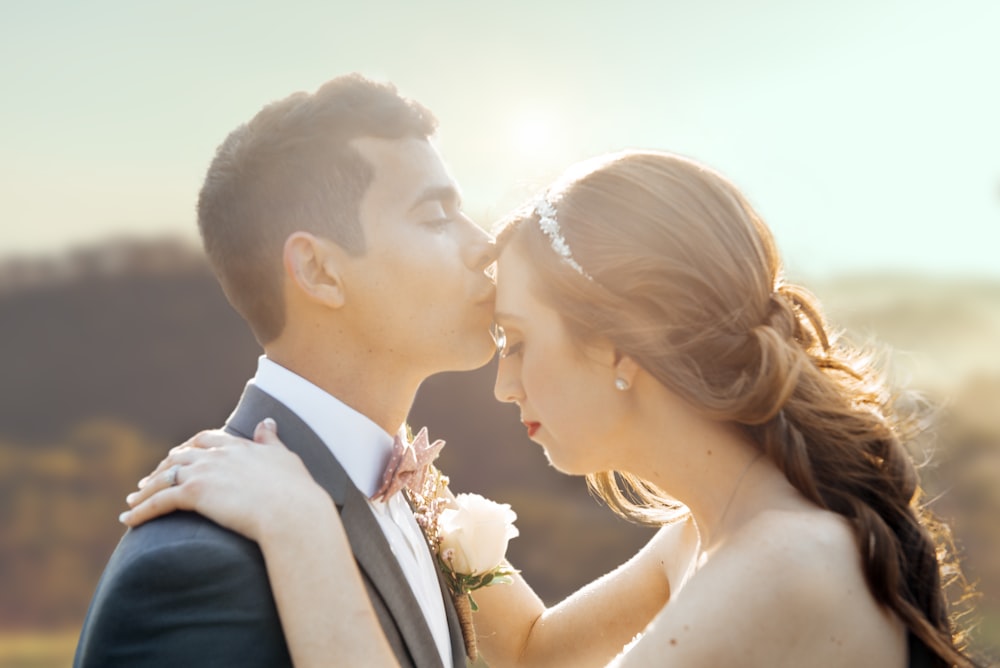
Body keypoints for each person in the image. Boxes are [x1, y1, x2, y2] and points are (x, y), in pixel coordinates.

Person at [121, 150, 975, 667]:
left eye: (519, 340)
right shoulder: (711, 533)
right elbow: (536, 652)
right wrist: (420, 497)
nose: (503, 383)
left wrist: (305, 532)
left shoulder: (783, 566)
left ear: (618, 349)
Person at [74, 74, 501, 668]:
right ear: (320, 271)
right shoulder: (196, 568)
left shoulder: (406, 497)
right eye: (435, 217)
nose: (487, 245)